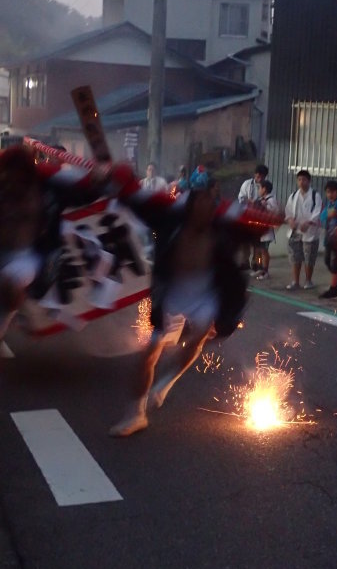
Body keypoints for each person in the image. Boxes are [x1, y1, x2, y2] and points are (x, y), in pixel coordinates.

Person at [108, 165, 280, 437]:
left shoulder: (223, 227)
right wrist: (117, 180)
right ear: (189, 207)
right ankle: (136, 414)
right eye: (199, 204)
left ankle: (166, 381)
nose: (205, 210)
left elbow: (261, 226)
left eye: (209, 205)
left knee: (199, 337)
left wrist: (275, 218)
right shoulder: (169, 220)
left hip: (205, 292)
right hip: (173, 290)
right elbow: (134, 199)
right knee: (149, 354)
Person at [0, 144, 110, 353]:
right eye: (8, 175)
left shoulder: (49, 188)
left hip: (29, 257)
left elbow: (86, 194)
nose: (13, 181)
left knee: (9, 285)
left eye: (19, 174)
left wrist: (99, 178)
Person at [284, 169, 323, 290]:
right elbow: (288, 211)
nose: (301, 182)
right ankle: (295, 281)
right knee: (295, 257)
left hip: (310, 232)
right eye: (299, 179)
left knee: (309, 258)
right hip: (295, 231)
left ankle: (308, 280)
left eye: (304, 180)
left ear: (309, 181)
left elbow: (317, 212)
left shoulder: (315, 195)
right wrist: (290, 220)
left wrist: (309, 222)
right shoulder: (294, 195)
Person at [237, 163, 269, 270]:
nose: (259, 178)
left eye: (262, 177)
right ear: (255, 174)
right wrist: (249, 201)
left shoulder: (267, 186)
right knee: (245, 243)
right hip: (247, 217)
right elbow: (241, 198)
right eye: (258, 176)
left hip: (259, 219)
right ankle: (244, 262)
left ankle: (257, 263)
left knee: (258, 245)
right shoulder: (247, 184)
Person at [251, 179, 279, 280]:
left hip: (266, 231)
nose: (258, 190)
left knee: (264, 251)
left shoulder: (271, 200)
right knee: (258, 251)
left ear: (265, 189)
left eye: (260, 188)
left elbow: (274, 212)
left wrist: (265, 206)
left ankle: (265, 271)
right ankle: (259, 267)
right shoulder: (259, 200)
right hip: (258, 230)